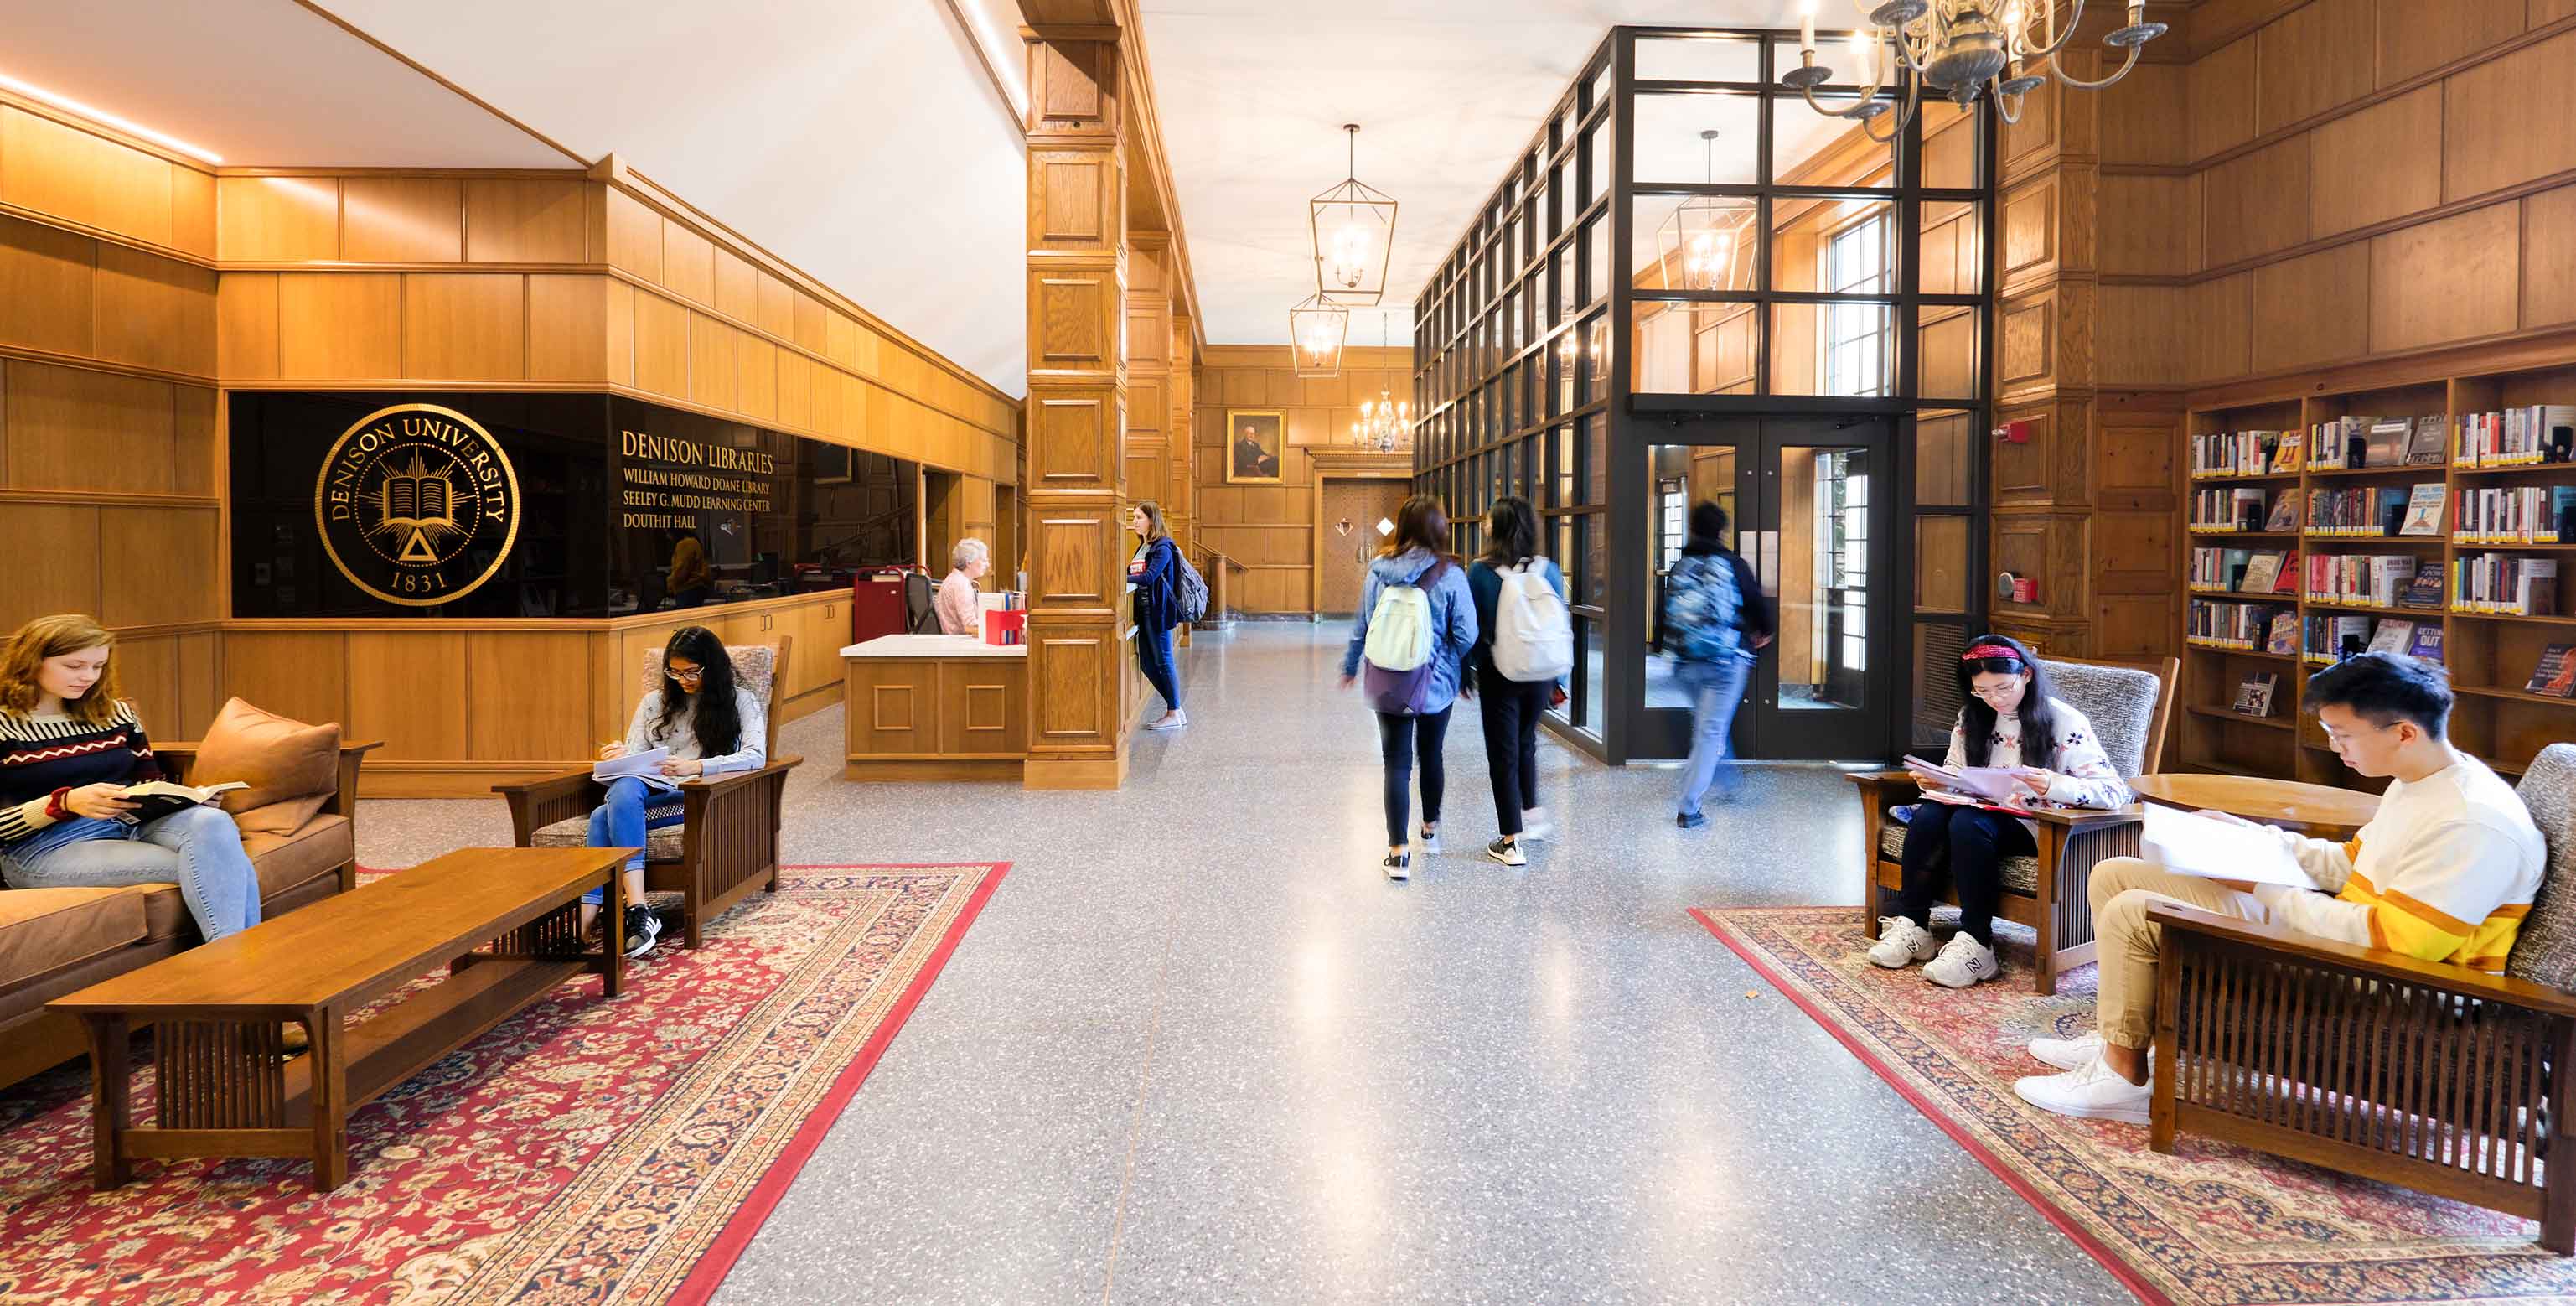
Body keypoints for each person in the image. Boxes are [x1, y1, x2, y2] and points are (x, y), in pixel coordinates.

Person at [2013, 653, 2542, 1124]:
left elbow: (2397, 943)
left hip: (2386, 977)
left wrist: (2256, 885)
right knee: (2117, 873)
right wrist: (2250, 837)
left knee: (2134, 910)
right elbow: (2348, 864)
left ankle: (2122, 1078)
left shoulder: (2471, 822)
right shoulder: (2424, 782)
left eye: (2344, 734)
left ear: (2404, 732)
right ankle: (2123, 1035)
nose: (2333, 747)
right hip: (2343, 935)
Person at [1867, 635, 2132, 987]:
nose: (1995, 699)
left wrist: (2054, 784)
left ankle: (1978, 944)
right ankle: (1915, 927)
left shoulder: (2064, 721)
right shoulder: (1971, 716)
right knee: (1929, 815)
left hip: (2040, 825)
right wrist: (1938, 783)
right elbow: (1956, 771)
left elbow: (2115, 792)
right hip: (1980, 811)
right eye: (1983, 690)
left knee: (1968, 823)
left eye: (2003, 687)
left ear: (2026, 675)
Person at [0, 614, 266, 949]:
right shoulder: (5, 727)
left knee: (212, 822)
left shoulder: (115, 714)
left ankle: (232, 968)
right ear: (32, 661)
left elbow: (148, 781)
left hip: (132, 822)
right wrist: (62, 803)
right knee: (221, 862)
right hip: (45, 848)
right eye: (75, 666)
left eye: (98, 667)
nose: (88, 677)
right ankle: (237, 964)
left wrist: (186, 798)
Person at [586, 624, 769, 956]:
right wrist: (621, 755)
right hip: (652, 793)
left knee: (603, 816)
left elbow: (757, 756)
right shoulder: (654, 702)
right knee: (625, 786)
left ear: (712, 668)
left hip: (697, 798)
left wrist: (698, 767)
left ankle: (589, 919)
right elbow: (636, 753)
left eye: (692, 672)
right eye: (674, 672)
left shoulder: (740, 700)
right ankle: (639, 909)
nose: (683, 680)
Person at [1341, 495, 1477, 881]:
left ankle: (1397, 852)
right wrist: (1458, 665)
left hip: (1390, 680)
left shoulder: (1379, 569)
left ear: (1401, 527)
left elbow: (1364, 623)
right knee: (1431, 755)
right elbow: (1467, 633)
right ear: (1439, 528)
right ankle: (1430, 831)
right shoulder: (1451, 573)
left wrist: (1350, 666)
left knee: (1396, 765)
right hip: (1437, 682)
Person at [1462, 495, 1565, 868]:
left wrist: (1465, 671)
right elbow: (1559, 624)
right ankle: (1532, 813)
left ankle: (1509, 841)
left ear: (1496, 528)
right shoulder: (1548, 570)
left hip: (1500, 671)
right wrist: (1560, 679)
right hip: (1540, 672)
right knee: (1525, 742)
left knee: (1502, 753)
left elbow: (1471, 630)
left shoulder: (1480, 572)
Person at [1657, 502, 1773, 828]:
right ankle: (1689, 807)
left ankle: (1725, 778)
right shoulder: (1733, 564)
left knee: (1709, 727)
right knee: (1710, 731)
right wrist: (1762, 633)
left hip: (1685, 663)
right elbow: (1757, 606)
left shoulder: (1681, 566)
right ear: (1721, 531)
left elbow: (1665, 615)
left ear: (1692, 529)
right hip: (1725, 662)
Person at [1127, 501, 1185, 731]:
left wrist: (1118, 580)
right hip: (1142, 612)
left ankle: (1174, 711)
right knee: (1147, 664)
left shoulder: (1162, 547)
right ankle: (1176, 707)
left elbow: (1149, 577)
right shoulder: (1143, 546)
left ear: (1152, 521)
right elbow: (1132, 572)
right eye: (1134, 517)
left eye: (1139, 517)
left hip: (1158, 612)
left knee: (1163, 661)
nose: (1134, 522)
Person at [938, 538, 990, 636]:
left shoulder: (955, 578)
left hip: (952, 640)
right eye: (983, 560)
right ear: (969, 563)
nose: (987, 564)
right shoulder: (961, 585)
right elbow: (970, 627)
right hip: (960, 644)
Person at [667, 527, 711, 609]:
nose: (667, 536)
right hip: (695, 589)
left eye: (668, 533)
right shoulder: (694, 542)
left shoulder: (685, 544)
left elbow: (681, 571)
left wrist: (669, 585)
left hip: (687, 589)